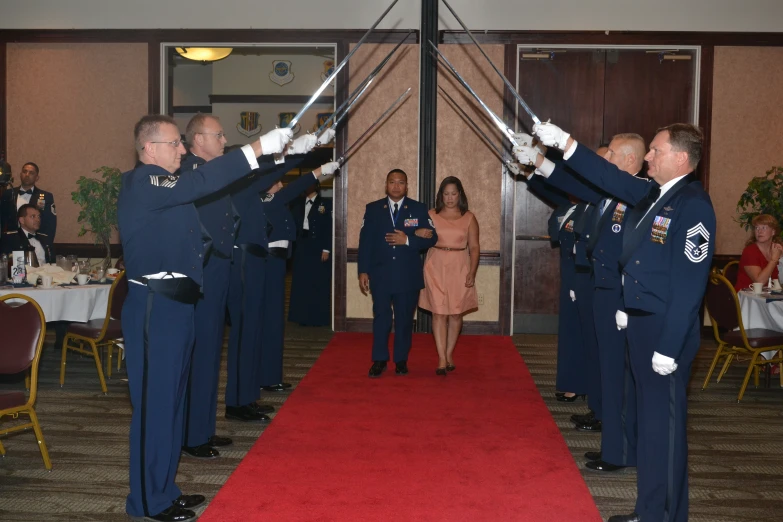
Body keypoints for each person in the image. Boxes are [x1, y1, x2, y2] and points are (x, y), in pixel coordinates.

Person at [532, 121, 715, 522]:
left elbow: (688, 286)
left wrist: (669, 346)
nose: (648, 157)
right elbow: (604, 176)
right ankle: (648, 510)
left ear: (681, 158)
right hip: (642, 322)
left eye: (656, 150)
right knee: (649, 428)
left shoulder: (693, 205)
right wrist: (564, 144)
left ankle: (666, 514)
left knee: (664, 432)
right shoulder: (655, 195)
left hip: (666, 333)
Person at [118, 113, 292, 522]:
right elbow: (202, 182)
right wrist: (258, 148)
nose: (182, 150)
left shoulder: (169, 190)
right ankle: (145, 501)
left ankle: (165, 488)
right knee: (154, 408)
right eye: (174, 143)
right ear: (149, 149)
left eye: (182, 142)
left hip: (179, 306)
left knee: (173, 404)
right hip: (154, 308)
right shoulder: (143, 181)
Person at [518, 134, 646, 472]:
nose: (604, 163)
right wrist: (538, 161)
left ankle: (621, 451)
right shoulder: (611, 194)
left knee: (619, 374)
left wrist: (564, 143)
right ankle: (613, 448)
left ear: (631, 160)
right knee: (607, 369)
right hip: (602, 291)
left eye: (612, 155)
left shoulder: (638, 193)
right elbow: (570, 184)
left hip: (619, 296)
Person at [224, 128, 334, 421]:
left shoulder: (250, 193)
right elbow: (283, 182)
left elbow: (282, 184)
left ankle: (247, 397)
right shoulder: (243, 190)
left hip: (259, 264)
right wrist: (304, 152)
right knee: (247, 335)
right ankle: (240, 400)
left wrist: (311, 159)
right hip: (247, 264)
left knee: (255, 332)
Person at [258, 165, 338, 392]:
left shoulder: (319, 204)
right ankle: (267, 376)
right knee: (269, 322)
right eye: (277, 182)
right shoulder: (265, 200)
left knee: (274, 323)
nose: (281, 185)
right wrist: (318, 169)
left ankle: (271, 375)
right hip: (271, 261)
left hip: (282, 261)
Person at [358, 169, 438, 378]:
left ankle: (401, 360)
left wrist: (409, 239)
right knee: (381, 318)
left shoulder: (418, 209)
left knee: (404, 320)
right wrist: (363, 271)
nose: (396, 186)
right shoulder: (373, 209)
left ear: (406, 186)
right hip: (380, 275)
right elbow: (365, 242)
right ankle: (379, 359)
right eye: (392, 182)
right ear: (386, 185)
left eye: (400, 182)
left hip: (407, 276)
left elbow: (432, 238)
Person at [418, 176, 478, 375]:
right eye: (446, 193)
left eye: (453, 193)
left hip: (460, 265)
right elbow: (415, 232)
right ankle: (442, 358)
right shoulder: (431, 215)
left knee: (455, 313)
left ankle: (449, 353)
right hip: (435, 264)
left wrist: (472, 271)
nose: (450, 198)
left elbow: (475, 247)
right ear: (440, 195)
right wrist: (417, 233)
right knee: (439, 312)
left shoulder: (469, 217)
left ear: (459, 194)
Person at [288, 182, 333, 327]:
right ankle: (300, 317)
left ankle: (318, 318)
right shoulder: (298, 204)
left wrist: (327, 248)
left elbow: (329, 226)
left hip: (318, 247)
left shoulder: (325, 203)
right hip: (302, 246)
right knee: (302, 282)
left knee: (318, 282)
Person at [0, 162, 56, 240]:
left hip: (36, 241)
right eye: (24, 171)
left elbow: (50, 224)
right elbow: (2, 219)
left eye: (31, 173)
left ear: (37, 178)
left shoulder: (46, 196)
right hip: (12, 241)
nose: (27, 175)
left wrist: (46, 244)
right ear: (20, 174)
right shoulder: (8, 194)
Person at [735, 214, 783, 291]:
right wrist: (773, 260)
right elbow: (759, 282)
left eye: (764, 227)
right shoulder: (750, 251)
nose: (759, 231)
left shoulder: (777, 249)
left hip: (770, 295)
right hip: (748, 298)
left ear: (773, 232)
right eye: (757, 228)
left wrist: (782, 258)